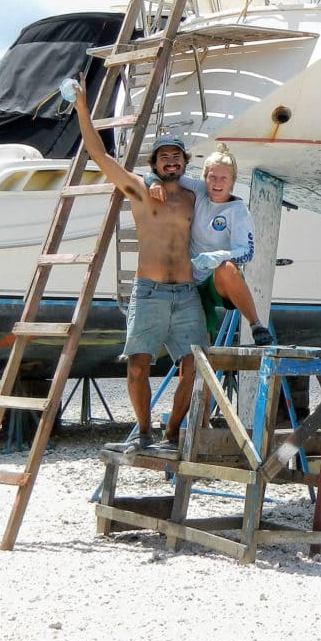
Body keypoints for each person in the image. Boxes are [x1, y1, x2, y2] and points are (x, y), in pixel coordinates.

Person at [72, 83, 207, 459]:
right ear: (154, 164)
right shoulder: (140, 190)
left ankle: (173, 432)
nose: (170, 162)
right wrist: (83, 108)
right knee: (137, 365)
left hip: (186, 294)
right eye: (163, 157)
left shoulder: (195, 196)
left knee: (195, 367)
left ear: (184, 161)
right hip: (148, 292)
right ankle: (144, 433)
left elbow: (223, 182)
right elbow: (98, 154)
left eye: (176, 157)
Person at [148, 142, 273, 347]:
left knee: (227, 268)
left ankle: (256, 325)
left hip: (217, 280)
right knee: (196, 349)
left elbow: (247, 252)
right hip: (190, 280)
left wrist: (219, 256)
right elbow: (163, 175)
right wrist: (154, 182)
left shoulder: (237, 210)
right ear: (204, 177)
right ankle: (199, 376)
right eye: (212, 177)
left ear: (232, 181)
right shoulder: (199, 191)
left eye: (223, 178)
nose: (217, 183)